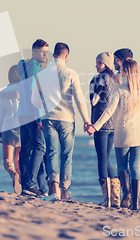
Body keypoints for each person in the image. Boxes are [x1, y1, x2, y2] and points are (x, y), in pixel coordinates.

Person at [87, 58, 140, 211]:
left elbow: (109, 111)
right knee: (136, 167)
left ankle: (127, 193)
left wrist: (95, 127)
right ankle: (135, 203)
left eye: (121, 68)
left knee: (122, 166)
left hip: (123, 133)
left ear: (125, 71)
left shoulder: (120, 89)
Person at [33, 42, 91, 201]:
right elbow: (79, 99)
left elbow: (35, 101)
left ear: (53, 55)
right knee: (66, 155)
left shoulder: (42, 73)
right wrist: (86, 120)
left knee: (51, 152)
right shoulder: (71, 73)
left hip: (48, 118)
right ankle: (65, 192)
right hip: (66, 119)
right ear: (66, 56)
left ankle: (55, 191)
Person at [6, 39, 49, 196]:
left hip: (22, 113)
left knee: (25, 151)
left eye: (46, 52)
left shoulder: (24, 66)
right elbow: (34, 92)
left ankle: (25, 186)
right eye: (42, 52)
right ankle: (31, 184)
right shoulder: (35, 68)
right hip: (32, 114)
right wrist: (39, 117)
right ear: (34, 53)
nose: (45, 55)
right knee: (40, 148)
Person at [88, 52, 121, 207]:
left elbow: (94, 100)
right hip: (112, 124)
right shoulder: (116, 79)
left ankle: (108, 199)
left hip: (100, 124)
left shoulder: (101, 78)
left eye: (99, 63)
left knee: (102, 160)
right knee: (106, 159)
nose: (96, 65)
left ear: (106, 64)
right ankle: (115, 198)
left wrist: (91, 86)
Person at [0, 65, 22, 194]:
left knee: (7, 160)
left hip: (7, 128)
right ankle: (21, 185)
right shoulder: (24, 89)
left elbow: (0, 115)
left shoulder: (3, 93)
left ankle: (12, 174)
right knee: (19, 159)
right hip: (22, 127)